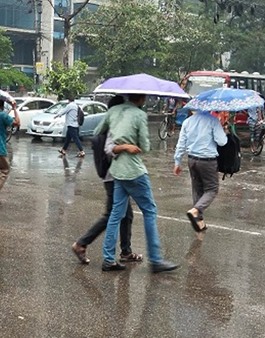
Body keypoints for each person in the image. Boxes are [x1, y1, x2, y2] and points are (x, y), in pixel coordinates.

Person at [95, 93, 179, 273]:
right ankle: (155, 259)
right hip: (133, 171)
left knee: (116, 214)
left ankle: (108, 259)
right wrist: (130, 144)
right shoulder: (139, 114)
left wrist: (119, 141)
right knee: (150, 210)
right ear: (141, 99)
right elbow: (145, 146)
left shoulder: (114, 111)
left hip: (117, 171)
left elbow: (97, 131)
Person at [72, 96, 143, 265]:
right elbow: (111, 150)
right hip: (114, 177)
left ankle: (126, 252)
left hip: (112, 176)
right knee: (112, 214)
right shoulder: (115, 126)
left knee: (126, 215)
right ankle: (81, 243)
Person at [173, 110, 229, 233]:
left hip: (192, 160)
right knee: (212, 189)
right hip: (207, 160)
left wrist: (177, 162)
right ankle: (196, 210)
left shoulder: (187, 122)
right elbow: (222, 141)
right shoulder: (213, 120)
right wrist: (224, 131)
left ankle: (199, 221)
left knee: (197, 190)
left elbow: (181, 143)